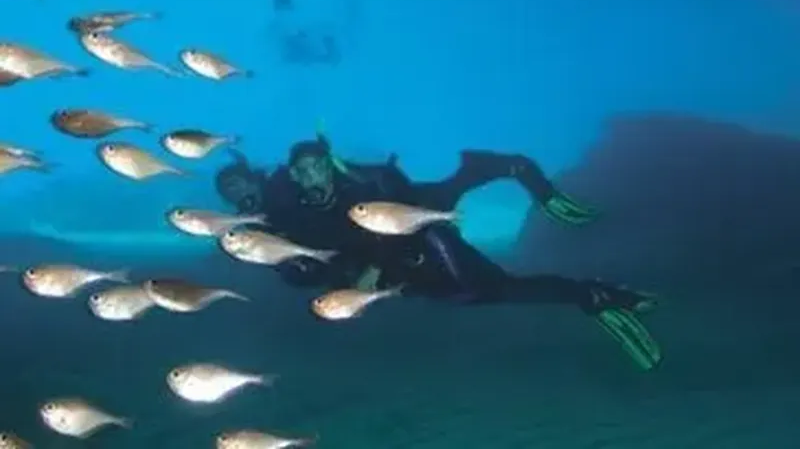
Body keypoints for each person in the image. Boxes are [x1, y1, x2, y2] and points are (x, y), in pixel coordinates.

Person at [215, 134, 661, 370]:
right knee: (491, 286)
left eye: (317, 166)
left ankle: (494, 169)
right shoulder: (285, 217)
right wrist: (301, 267)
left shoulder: (356, 185)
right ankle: (595, 295)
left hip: (421, 241)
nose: (311, 176)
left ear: (327, 167)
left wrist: (371, 268)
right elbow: (307, 269)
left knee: (454, 245)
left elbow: (396, 217)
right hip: (405, 273)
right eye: (303, 170)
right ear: (292, 174)